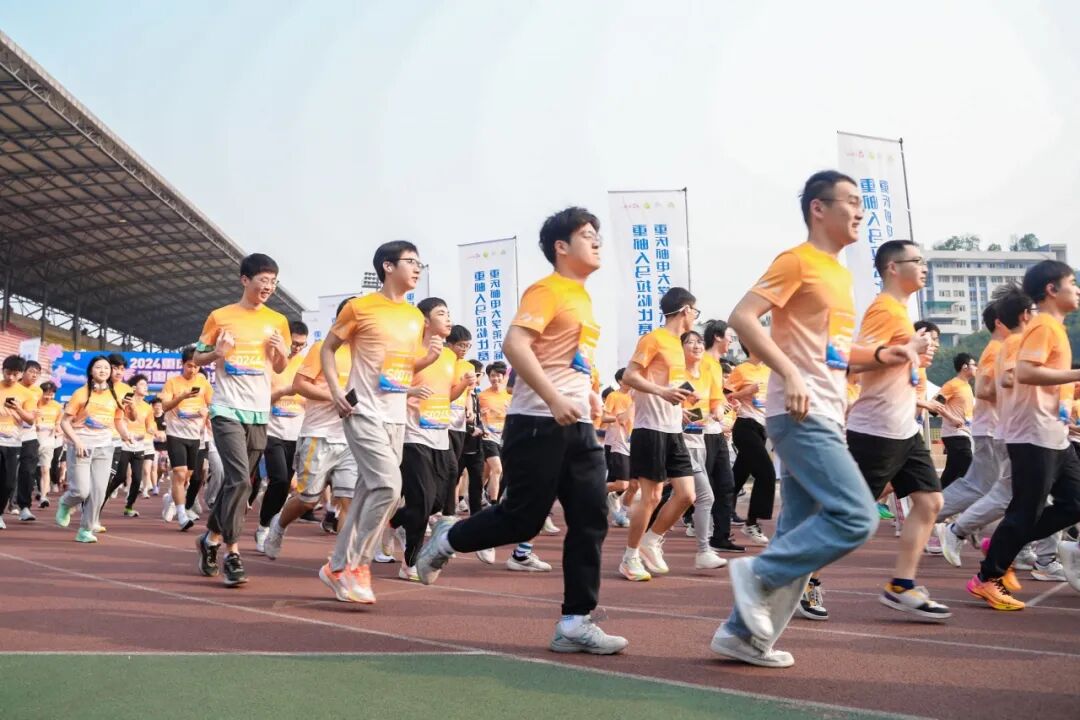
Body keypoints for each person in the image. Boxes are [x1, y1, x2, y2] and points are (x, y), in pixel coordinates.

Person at [714, 171, 924, 668]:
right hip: (799, 412)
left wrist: (888, 353)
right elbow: (743, 317)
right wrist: (788, 372)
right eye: (850, 201)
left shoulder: (840, 277)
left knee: (796, 534)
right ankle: (757, 574)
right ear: (818, 208)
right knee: (856, 517)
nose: (860, 211)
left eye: (861, 203)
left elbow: (835, 354)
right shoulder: (797, 261)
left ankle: (742, 636)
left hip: (828, 410)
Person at [417, 207, 626, 654]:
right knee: (523, 518)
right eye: (587, 235)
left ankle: (575, 621)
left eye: (598, 235)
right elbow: (515, 344)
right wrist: (553, 398)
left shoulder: (583, 298)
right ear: (561, 247)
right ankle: (449, 537)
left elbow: (569, 358)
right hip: (537, 422)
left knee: (590, 517)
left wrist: (589, 394)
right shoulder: (548, 289)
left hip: (579, 424)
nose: (597, 241)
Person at [316, 241, 433, 604]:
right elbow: (328, 349)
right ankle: (358, 564)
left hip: (395, 416)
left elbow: (398, 368)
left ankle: (336, 567)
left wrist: (424, 366)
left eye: (419, 263)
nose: (417, 268)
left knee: (370, 491)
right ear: (387, 266)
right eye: (410, 261)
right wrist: (335, 389)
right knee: (389, 487)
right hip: (362, 411)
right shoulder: (360, 307)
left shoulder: (415, 317)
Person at [845, 239, 949, 620]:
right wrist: (907, 349)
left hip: (904, 430)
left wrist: (914, 356)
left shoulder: (901, 313)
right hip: (877, 431)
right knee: (849, 519)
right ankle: (803, 577)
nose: (924, 266)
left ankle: (901, 585)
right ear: (892, 267)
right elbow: (854, 362)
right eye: (916, 260)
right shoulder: (885, 309)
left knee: (930, 502)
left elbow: (896, 363)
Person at [969, 260, 1080, 609]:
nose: (1077, 290)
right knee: (1025, 511)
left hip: (1053, 434)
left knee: (1074, 502)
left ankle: (1004, 544)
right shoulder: (1043, 326)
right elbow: (1027, 372)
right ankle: (987, 578)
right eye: (1072, 282)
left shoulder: (1052, 327)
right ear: (1051, 289)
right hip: (1032, 435)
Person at [193, 253, 291, 587]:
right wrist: (217, 354)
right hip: (226, 409)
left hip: (259, 411)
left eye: (273, 282)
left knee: (239, 483)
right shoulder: (220, 316)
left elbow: (279, 367)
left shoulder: (278, 320)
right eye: (264, 280)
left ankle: (210, 538)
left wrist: (282, 352)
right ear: (245, 280)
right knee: (240, 480)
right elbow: (197, 357)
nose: (269, 287)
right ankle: (232, 553)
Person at [263, 302, 357, 560]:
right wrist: (334, 396)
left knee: (348, 500)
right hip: (319, 434)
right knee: (308, 499)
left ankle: (342, 562)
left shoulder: (366, 354)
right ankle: (278, 525)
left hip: (350, 437)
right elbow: (299, 384)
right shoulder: (322, 348)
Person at [617, 287, 699, 581]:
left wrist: (684, 401)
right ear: (685, 310)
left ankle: (651, 541)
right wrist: (662, 392)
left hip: (673, 428)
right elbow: (630, 376)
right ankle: (629, 557)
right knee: (651, 497)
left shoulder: (678, 345)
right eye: (695, 311)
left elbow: (669, 385)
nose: (695, 317)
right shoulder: (653, 339)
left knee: (687, 494)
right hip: (649, 429)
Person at [388, 297, 472, 579]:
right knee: (423, 503)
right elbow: (387, 385)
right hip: (413, 436)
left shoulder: (449, 357)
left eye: (449, 313)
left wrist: (463, 385)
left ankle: (395, 522)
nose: (448, 319)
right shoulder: (409, 350)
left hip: (440, 436)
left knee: (437, 502)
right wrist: (410, 392)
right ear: (425, 321)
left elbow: (446, 396)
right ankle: (410, 563)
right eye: (441, 314)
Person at [56, 356, 130, 542]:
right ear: (91, 371)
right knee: (81, 491)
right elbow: (65, 422)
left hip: (104, 447)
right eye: (98, 367)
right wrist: (77, 442)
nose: (103, 371)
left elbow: (118, 419)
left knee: (98, 491)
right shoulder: (81, 394)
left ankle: (85, 530)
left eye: (106, 368)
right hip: (81, 446)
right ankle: (66, 502)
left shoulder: (115, 395)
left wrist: (125, 434)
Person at [255, 321, 309, 549]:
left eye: (302, 344)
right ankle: (263, 527)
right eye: (294, 343)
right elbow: (261, 398)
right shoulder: (273, 361)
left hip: (296, 434)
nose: (297, 348)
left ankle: (271, 521)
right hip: (273, 431)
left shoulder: (307, 364)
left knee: (286, 484)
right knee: (278, 479)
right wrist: (284, 391)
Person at [680, 330, 727, 570]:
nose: (697, 346)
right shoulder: (676, 373)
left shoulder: (707, 373)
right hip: (679, 442)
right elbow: (672, 407)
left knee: (677, 497)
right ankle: (703, 550)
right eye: (690, 342)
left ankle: (649, 538)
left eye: (699, 342)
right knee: (705, 496)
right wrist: (686, 412)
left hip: (699, 441)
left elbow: (717, 401)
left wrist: (717, 411)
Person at [159, 346, 213, 530]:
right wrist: (182, 396)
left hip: (195, 436)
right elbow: (165, 406)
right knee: (180, 473)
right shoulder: (172, 383)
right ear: (182, 364)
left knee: (187, 477)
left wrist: (207, 411)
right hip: (175, 434)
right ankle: (182, 516)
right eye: (189, 365)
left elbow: (212, 404)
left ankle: (171, 497)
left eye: (196, 366)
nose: (193, 369)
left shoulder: (203, 382)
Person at [726, 350, 776, 546]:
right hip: (745, 425)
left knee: (737, 477)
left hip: (762, 428)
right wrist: (746, 392)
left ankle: (718, 519)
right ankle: (752, 523)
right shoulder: (741, 370)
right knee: (767, 474)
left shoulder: (769, 370)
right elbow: (725, 398)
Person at [701, 320, 741, 553]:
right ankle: (654, 527)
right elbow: (695, 393)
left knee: (726, 485)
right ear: (717, 336)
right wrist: (711, 410)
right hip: (701, 434)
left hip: (717, 433)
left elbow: (715, 396)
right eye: (729, 336)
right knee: (696, 490)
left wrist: (726, 404)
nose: (731, 341)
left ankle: (720, 536)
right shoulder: (702, 362)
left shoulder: (716, 366)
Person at [0, 356, 38, 529]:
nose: (11, 377)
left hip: (13, 442)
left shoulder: (27, 394)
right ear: (3, 370)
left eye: (15, 374)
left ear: (21, 374)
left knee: (8, 483)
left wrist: (18, 409)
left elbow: (30, 419)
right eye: (8, 373)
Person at [936, 353, 977, 488]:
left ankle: (938, 495)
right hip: (954, 434)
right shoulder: (952, 385)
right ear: (964, 367)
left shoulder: (967, 386)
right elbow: (935, 405)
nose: (976, 368)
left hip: (964, 433)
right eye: (974, 365)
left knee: (952, 472)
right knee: (967, 466)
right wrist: (952, 418)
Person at [601, 369, 633, 527]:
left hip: (635, 443)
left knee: (632, 483)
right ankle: (588, 491)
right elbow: (604, 417)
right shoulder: (614, 396)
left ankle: (616, 509)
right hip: (616, 443)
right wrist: (619, 418)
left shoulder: (637, 396)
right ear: (620, 381)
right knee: (621, 483)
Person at [478, 361, 511, 503]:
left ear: (503, 377)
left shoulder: (509, 395)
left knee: (487, 472)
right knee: (497, 469)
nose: (495, 378)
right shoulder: (482, 396)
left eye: (498, 375)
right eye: (492, 375)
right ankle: (494, 503)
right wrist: (480, 414)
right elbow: (475, 414)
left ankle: (478, 493)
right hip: (488, 437)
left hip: (504, 437)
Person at [15, 360, 42, 521]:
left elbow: (36, 411)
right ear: (22, 372)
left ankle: (24, 507)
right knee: (7, 474)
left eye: (37, 373)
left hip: (29, 436)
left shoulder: (38, 391)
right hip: (9, 435)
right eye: (31, 371)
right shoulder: (12, 388)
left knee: (28, 471)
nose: (34, 375)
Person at [35, 381, 63, 507]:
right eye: (46, 394)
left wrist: (56, 428)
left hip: (49, 442)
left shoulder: (57, 406)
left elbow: (58, 423)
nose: (48, 397)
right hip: (33, 441)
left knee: (45, 469)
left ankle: (43, 497)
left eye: (51, 394)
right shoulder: (35, 403)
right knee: (30, 470)